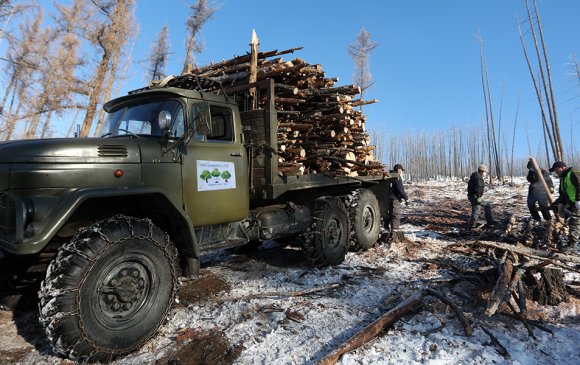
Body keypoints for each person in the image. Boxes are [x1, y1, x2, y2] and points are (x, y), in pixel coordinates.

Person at [549, 161, 580, 253]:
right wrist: (556, 204)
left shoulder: (572, 173)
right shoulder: (563, 178)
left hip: (578, 202)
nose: (555, 171)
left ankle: (572, 246)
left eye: (556, 169)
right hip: (573, 203)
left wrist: (579, 199)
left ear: (562, 167)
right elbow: (563, 194)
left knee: (574, 222)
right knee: (572, 220)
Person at [467, 164, 496, 229]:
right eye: (485, 172)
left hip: (472, 196)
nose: (485, 173)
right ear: (482, 171)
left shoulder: (475, 176)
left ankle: (490, 222)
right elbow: (478, 187)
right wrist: (478, 197)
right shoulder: (478, 177)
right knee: (477, 209)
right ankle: (472, 226)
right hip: (475, 196)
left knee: (486, 206)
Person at [388, 164, 408, 242]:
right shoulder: (396, 177)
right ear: (398, 169)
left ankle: (388, 229)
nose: (401, 172)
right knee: (395, 215)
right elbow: (400, 188)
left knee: (390, 214)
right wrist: (405, 197)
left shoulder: (390, 176)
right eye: (401, 170)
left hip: (388, 198)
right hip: (394, 199)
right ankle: (394, 233)